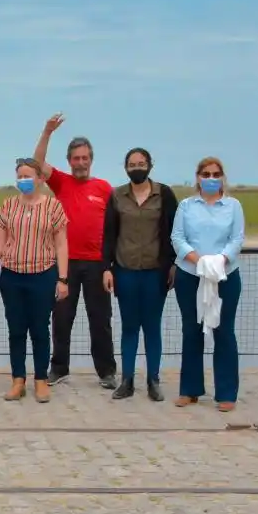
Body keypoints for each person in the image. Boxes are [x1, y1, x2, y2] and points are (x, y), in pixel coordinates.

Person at [32, 113, 117, 389]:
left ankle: (106, 371)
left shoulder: (104, 188)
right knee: (61, 317)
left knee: (100, 320)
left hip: (96, 265)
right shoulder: (61, 182)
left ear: (91, 159)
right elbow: (36, 165)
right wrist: (47, 133)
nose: (80, 163)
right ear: (69, 161)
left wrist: (109, 266)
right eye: (76, 158)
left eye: (85, 158)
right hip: (64, 264)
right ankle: (59, 367)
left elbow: (115, 227)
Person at [0, 158, 69, 403]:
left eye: (28, 176)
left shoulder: (53, 207)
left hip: (43, 274)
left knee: (40, 329)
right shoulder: (9, 205)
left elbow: (61, 244)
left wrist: (63, 278)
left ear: (41, 179)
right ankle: (17, 379)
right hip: (12, 276)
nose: (23, 181)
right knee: (16, 329)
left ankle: (41, 380)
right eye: (19, 176)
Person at [101, 148, 179, 402]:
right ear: (126, 168)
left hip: (155, 272)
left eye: (141, 163)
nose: (137, 168)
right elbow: (109, 235)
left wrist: (173, 265)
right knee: (129, 327)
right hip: (125, 271)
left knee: (152, 327)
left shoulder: (164, 194)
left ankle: (153, 380)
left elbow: (175, 231)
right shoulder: (117, 196)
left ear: (150, 165)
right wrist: (107, 268)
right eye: (132, 164)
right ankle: (127, 381)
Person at [171, 157, 245, 412]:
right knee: (192, 330)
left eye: (215, 174)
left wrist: (219, 261)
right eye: (206, 174)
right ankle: (189, 390)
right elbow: (177, 238)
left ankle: (226, 393)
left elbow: (236, 240)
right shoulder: (186, 206)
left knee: (224, 331)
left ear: (222, 177)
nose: (210, 178)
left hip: (225, 276)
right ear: (198, 177)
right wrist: (199, 261)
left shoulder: (233, 206)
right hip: (190, 274)